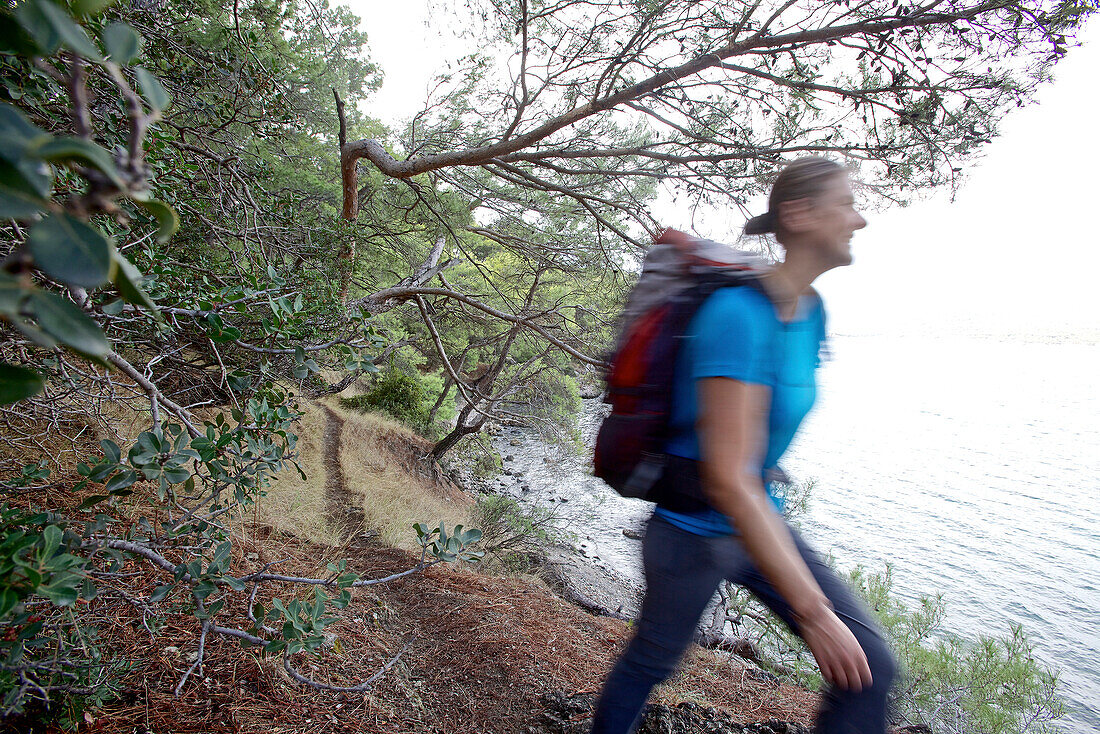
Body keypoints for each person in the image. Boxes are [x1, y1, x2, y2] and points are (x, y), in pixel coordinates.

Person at [590, 157, 897, 734]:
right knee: (651, 661)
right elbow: (730, 478)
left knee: (871, 668)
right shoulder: (737, 315)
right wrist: (814, 613)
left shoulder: (810, 312)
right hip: (689, 535)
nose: (860, 220)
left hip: (761, 523)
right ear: (799, 214)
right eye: (847, 204)